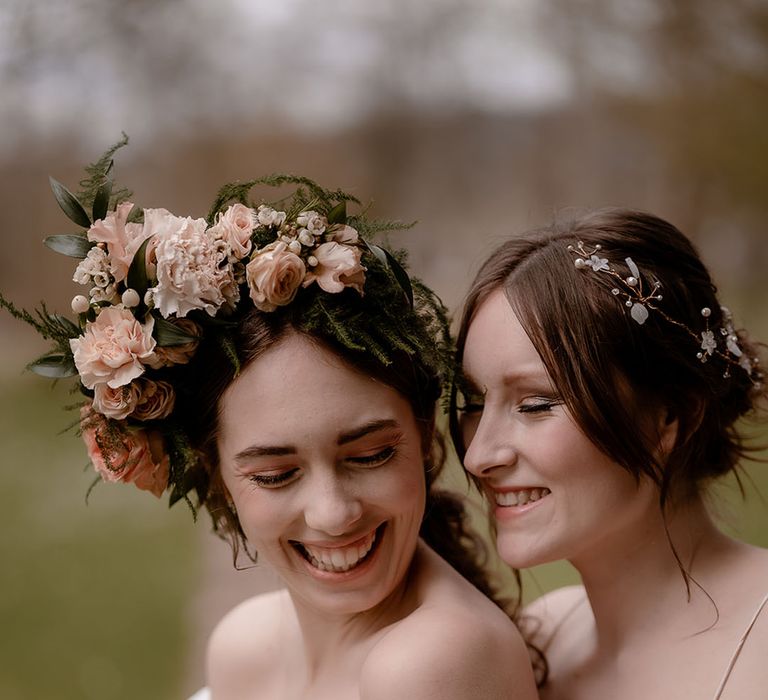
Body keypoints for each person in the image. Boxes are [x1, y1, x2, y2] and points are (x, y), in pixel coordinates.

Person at [2, 141, 538, 699]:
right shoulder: (245, 644)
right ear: (216, 473)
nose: (333, 514)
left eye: (370, 455)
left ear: (425, 434)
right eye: (276, 473)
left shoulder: (433, 665)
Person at [450, 209, 768, 699]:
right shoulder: (537, 641)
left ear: (669, 416)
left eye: (534, 403)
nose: (478, 456)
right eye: (474, 402)